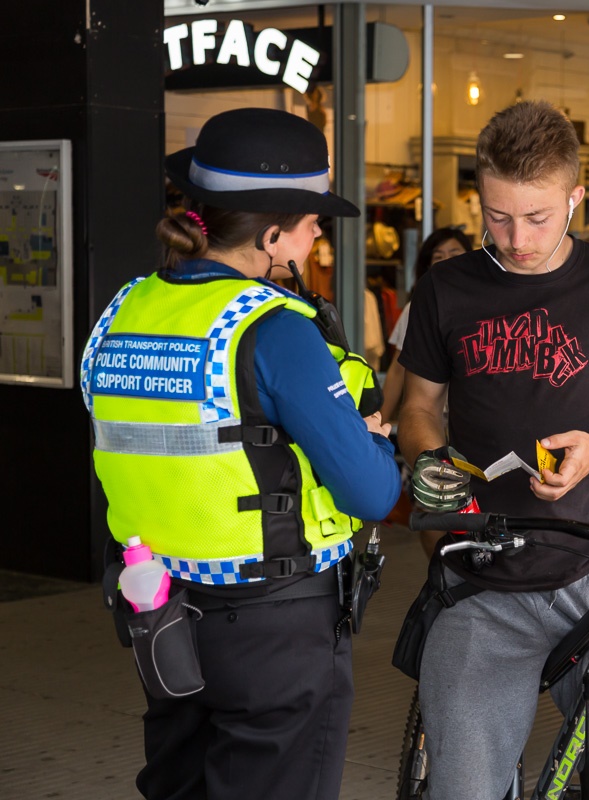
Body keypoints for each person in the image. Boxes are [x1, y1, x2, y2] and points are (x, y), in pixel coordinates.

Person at [79, 107, 401, 800]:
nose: (319, 234)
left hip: (159, 612)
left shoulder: (122, 313)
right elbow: (374, 494)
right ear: (274, 232)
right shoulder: (276, 331)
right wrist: (374, 441)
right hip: (274, 630)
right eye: (313, 219)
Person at [396, 99, 589, 800]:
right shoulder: (446, 289)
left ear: (575, 197)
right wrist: (426, 460)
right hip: (481, 579)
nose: (516, 238)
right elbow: (418, 406)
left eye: (538, 217)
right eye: (497, 215)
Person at [378, 226, 472, 424]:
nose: (447, 261)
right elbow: (397, 370)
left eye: (455, 253)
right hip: (432, 418)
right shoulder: (418, 308)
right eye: (438, 256)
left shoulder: (486, 305)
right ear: (428, 266)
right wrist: (379, 425)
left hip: (473, 418)